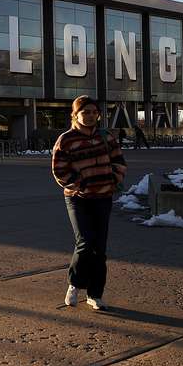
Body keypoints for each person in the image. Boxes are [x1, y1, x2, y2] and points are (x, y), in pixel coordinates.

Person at [51, 96, 127, 311]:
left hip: (103, 197)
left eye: (94, 112)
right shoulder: (66, 139)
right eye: (85, 112)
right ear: (75, 115)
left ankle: (95, 294)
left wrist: (112, 179)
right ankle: (75, 284)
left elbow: (119, 161)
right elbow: (59, 169)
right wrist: (78, 183)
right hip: (78, 198)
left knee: (99, 249)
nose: (90, 115)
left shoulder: (107, 138)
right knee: (85, 242)